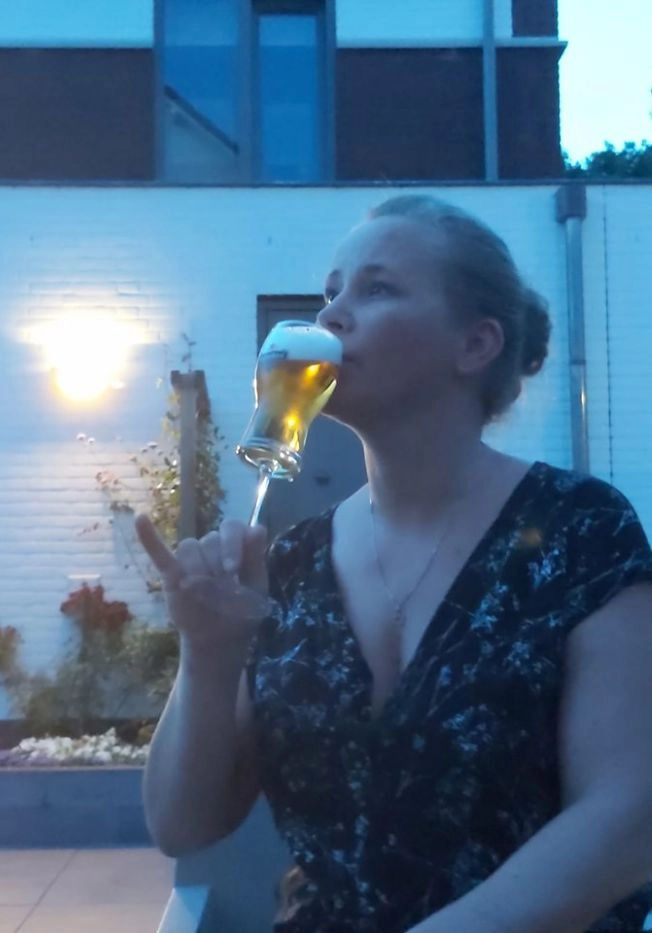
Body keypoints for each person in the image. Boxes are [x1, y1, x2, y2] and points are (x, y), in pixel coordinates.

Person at [137, 195, 652, 933]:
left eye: (375, 289)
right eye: (331, 291)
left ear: (475, 344)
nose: (331, 314)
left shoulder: (581, 529)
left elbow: (630, 815)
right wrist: (208, 652)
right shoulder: (293, 563)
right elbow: (182, 825)